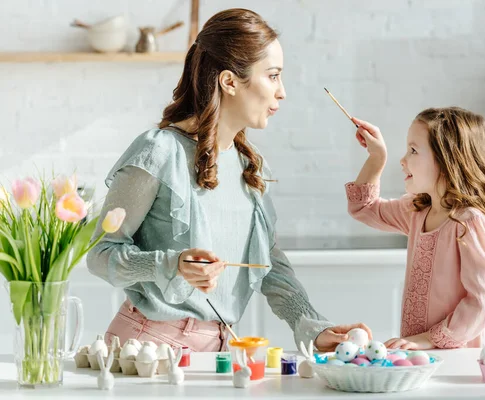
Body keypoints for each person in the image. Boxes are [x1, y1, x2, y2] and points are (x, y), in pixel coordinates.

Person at [87, 8, 370, 353]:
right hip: (149, 346)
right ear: (229, 81)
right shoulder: (159, 151)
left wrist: (311, 325)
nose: (282, 93)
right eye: (273, 76)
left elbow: (270, 262)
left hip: (218, 351)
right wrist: (171, 265)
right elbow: (100, 253)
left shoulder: (250, 165)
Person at [345, 107, 485, 349]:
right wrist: (376, 158)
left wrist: (429, 339)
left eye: (413, 151)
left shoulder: (468, 222)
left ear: (447, 161)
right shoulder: (416, 211)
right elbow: (362, 207)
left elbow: (484, 301)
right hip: (420, 355)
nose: (403, 160)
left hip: (460, 364)